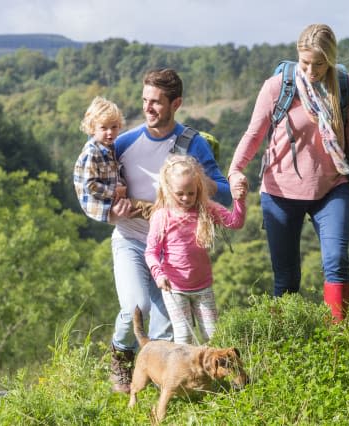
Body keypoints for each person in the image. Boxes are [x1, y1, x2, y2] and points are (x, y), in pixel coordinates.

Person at [228, 23, 349, 323]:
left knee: (336, 261)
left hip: (332, 187)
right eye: (305, 62)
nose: (312, 70)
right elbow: (253, 134)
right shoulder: (278, 86)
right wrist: (235, 170)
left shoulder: (345, 85)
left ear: (330, 59)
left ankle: (338, 339)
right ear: (297, 57)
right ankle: (285, 342)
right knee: (287, 278)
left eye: (319, 63)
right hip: (280, 193)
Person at [107, 68, 236, 393]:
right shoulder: (124, 142)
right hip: (132, 240)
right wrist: (110, 210)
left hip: (173, 255)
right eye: (145, 100)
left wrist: (192, 178)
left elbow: (223, 189)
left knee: (166, 336)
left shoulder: (192, 144)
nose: (148, 108)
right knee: (136, 305)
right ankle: (120, 354)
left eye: (157, 102)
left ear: (175, 103)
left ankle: (166, 393)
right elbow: (97, 184)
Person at [145, 154, 247, 345]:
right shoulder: (162, 216)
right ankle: (187, 375)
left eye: (191, 193)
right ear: (168, 190)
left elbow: (235, 222)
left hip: (202, 286)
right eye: (180, 193)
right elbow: (151, 252)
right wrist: (158, 274)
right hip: (174, 288)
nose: (186, 198)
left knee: (213, 336)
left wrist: (239, 200)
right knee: (184, 336)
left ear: (198, 188)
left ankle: (213, 373)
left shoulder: (206, 209)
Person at [73, 96, 126, 222]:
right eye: (103, 128)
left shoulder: (109, 147)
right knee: (137, 208)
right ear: (92, 129)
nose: (110, 132)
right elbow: (90, 185)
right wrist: (115, 192)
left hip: (109, 198)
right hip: (100, 206)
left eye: (114, 127)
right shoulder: (92, 153)